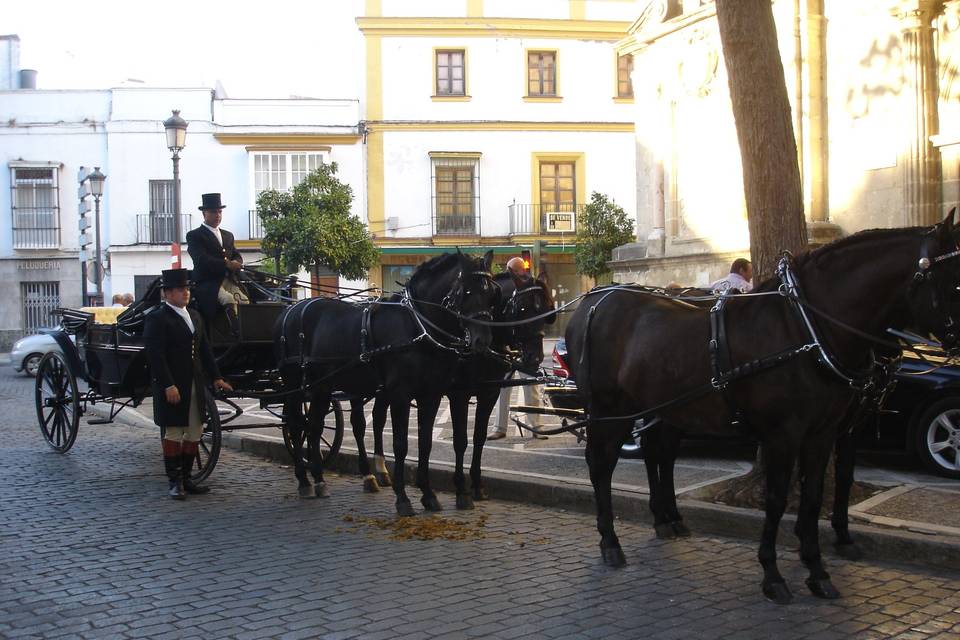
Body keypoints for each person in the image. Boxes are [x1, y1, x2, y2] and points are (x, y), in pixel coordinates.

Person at [144, 268, 233, 500]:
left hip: (194, 381)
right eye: (180, 290)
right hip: (173, 384)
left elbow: (204, 350)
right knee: (174, 431)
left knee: (195, 431)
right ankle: (174, 482)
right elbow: (156, 356)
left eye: (186, 289)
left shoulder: (194, 315)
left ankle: (187, 478)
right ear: (167, 294)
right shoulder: (157, 317)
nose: (185, 293)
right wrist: (167, 385)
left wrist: (216, 377)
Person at [487, 256, 546, 441]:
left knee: (521, 388)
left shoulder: (529, 287)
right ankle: (532, 427)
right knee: (511, 388)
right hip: (514, 346)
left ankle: (511, 427)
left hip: (517, 345)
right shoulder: (521, 286)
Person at [185, 193, 248, 336]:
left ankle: (246, 331)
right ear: (204, 213)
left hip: (229, 279)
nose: (217, 215)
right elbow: (201, 259)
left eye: (219, 212)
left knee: (244, 300)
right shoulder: (195, 235)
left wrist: (237, 262)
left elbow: (236, 254)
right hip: (208, 282)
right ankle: (232, 332)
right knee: (229, 299)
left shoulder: (228, 235)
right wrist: (226, 264)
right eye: (213, 212)